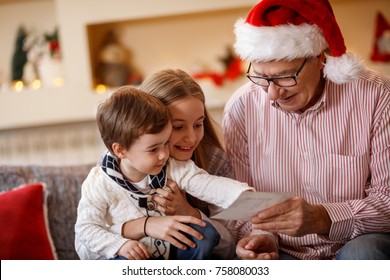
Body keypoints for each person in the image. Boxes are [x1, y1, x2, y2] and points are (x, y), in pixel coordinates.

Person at [223, 0, 390, 260]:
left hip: (356, 241)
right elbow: (242, 203)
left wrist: (323, 218)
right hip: (283, 251)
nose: (272, 94)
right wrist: (261, 238)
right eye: (262, 78)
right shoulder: (241, 108)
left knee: (366, 252)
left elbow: (387, 201)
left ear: (319, 58)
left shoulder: (376, 95)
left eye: (284, 76)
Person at [74, 86, 254, 260]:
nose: (163, 154)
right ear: (121, 150)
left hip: (175, 250)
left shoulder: (172, 166)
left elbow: (204, 183)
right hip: (133, 254)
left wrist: (241, 194)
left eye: (165, 143)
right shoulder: (99, 182)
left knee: (206, 234)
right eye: (153, 149)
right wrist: (120, 243)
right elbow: (86, 230)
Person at [138, 68, 237, 259]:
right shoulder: (120, 165)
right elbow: (92, 242)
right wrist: (143, 226)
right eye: (178, 127)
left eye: (198, 124)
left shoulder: (214, 161)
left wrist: (190, 213)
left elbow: (230, 246)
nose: (191, 138)